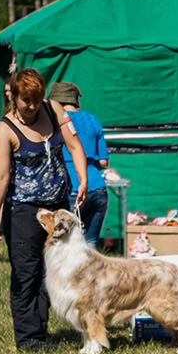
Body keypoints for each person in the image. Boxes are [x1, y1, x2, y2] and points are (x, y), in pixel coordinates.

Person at [0, 68, 88, 352]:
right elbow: (1, 176)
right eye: (26, 100)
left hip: (58, 207)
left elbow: (73, 144)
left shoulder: (53, 108)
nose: (32, 106)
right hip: (24, 212)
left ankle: (41, 333)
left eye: (36, 99)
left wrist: (83, 180)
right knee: (26, 273)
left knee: (51, 271)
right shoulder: (5, 130)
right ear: (14, 97)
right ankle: (28, 338)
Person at [50, 81, 110, 248]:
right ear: (76, 100)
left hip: (71, 190)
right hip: (98, 188)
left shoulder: (54, 121)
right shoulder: (92, 120)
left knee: (63, 248)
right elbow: (104, 162)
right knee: (89, 250)